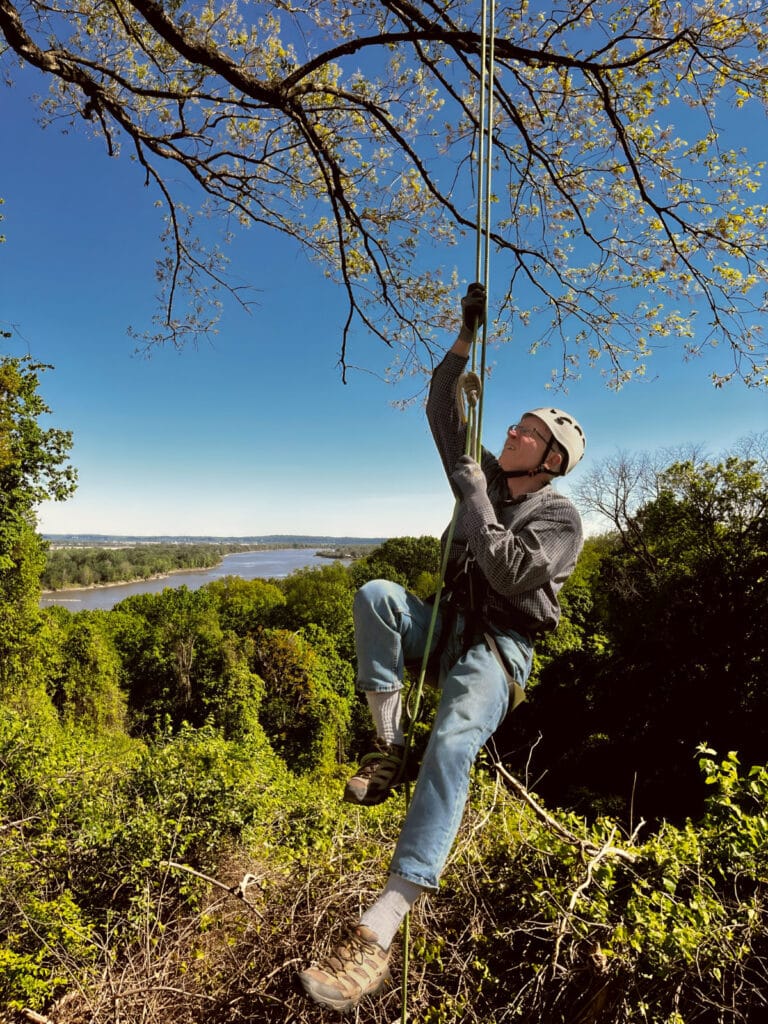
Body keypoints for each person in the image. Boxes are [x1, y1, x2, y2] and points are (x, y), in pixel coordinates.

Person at [298, 282, 586, 1012]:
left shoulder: (560, 516)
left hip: (499, 649)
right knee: (378, 598)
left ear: (551, 459)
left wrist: (476, 496)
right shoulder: (484, 474)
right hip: (447, 624)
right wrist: (465, 335)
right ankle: (390, 745)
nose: (511, 434)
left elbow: (513, 571)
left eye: (525, 432)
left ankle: (381, 927)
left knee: (457, 736)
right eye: (513, 426)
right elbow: (440, 405)